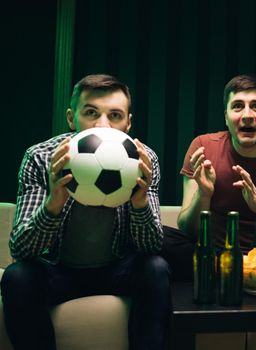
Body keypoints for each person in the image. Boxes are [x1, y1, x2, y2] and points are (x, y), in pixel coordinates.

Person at [0, 74, 170, 350]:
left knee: (156, 267)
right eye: (91, 112)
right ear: (71, 118)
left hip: (116, 270)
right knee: (17, 276)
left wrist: (139, 204)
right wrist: (53, 203)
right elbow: (21, 249)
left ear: (128, 123)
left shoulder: (143, 161)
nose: (102, 124)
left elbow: (151, 246)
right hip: (58, 272)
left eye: (115, 115)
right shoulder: (41, 157)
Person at [162, 74, 256, 281]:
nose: (247, 115)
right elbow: (188, 229)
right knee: (162, 238)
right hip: (217, 257)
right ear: (226, 116)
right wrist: (204, 194)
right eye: (237, 106)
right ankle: (234, 271)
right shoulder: (202, 147)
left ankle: (237, 275)